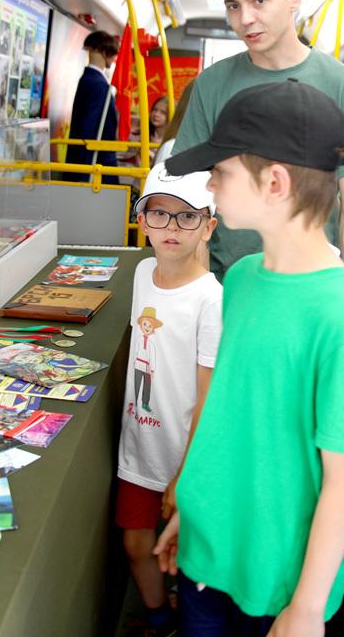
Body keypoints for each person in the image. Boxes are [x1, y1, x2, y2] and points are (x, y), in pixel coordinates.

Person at [157, 80, 344, 634]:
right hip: (206, 552)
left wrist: (307, 606)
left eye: (220, 172)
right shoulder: (242, 279)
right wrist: (195, 506)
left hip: (280, 579)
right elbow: (228, 413)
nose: (209, 185)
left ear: (274, 183)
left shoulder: (342, 316)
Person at [170, 0, 344, 283]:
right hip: (225, 282)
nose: (245, 19)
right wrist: (201, 290)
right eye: (233, 5)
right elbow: (192, 194)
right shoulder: (211, 84)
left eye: (259, 0)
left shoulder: (342, 84)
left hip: (312, 283)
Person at [118, 160, 221, 636]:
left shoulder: (212, 299)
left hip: (187, 457)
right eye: (159, 214)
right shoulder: (142, 273)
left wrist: (185, 474)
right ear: (142, 221)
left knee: (187, 556)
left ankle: (185, 619)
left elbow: (207, 396)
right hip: (139, 447)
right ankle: (160, 620)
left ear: (209, 226)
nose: (171, 227)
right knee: (137, 545)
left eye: (187, 216)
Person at [64, 30, 120, 183]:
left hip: (82, 160)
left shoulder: (88, 79)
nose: (114, 58)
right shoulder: (99, 85)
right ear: (104, 52)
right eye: (113, 54)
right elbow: (91, 131)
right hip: (94, 164)